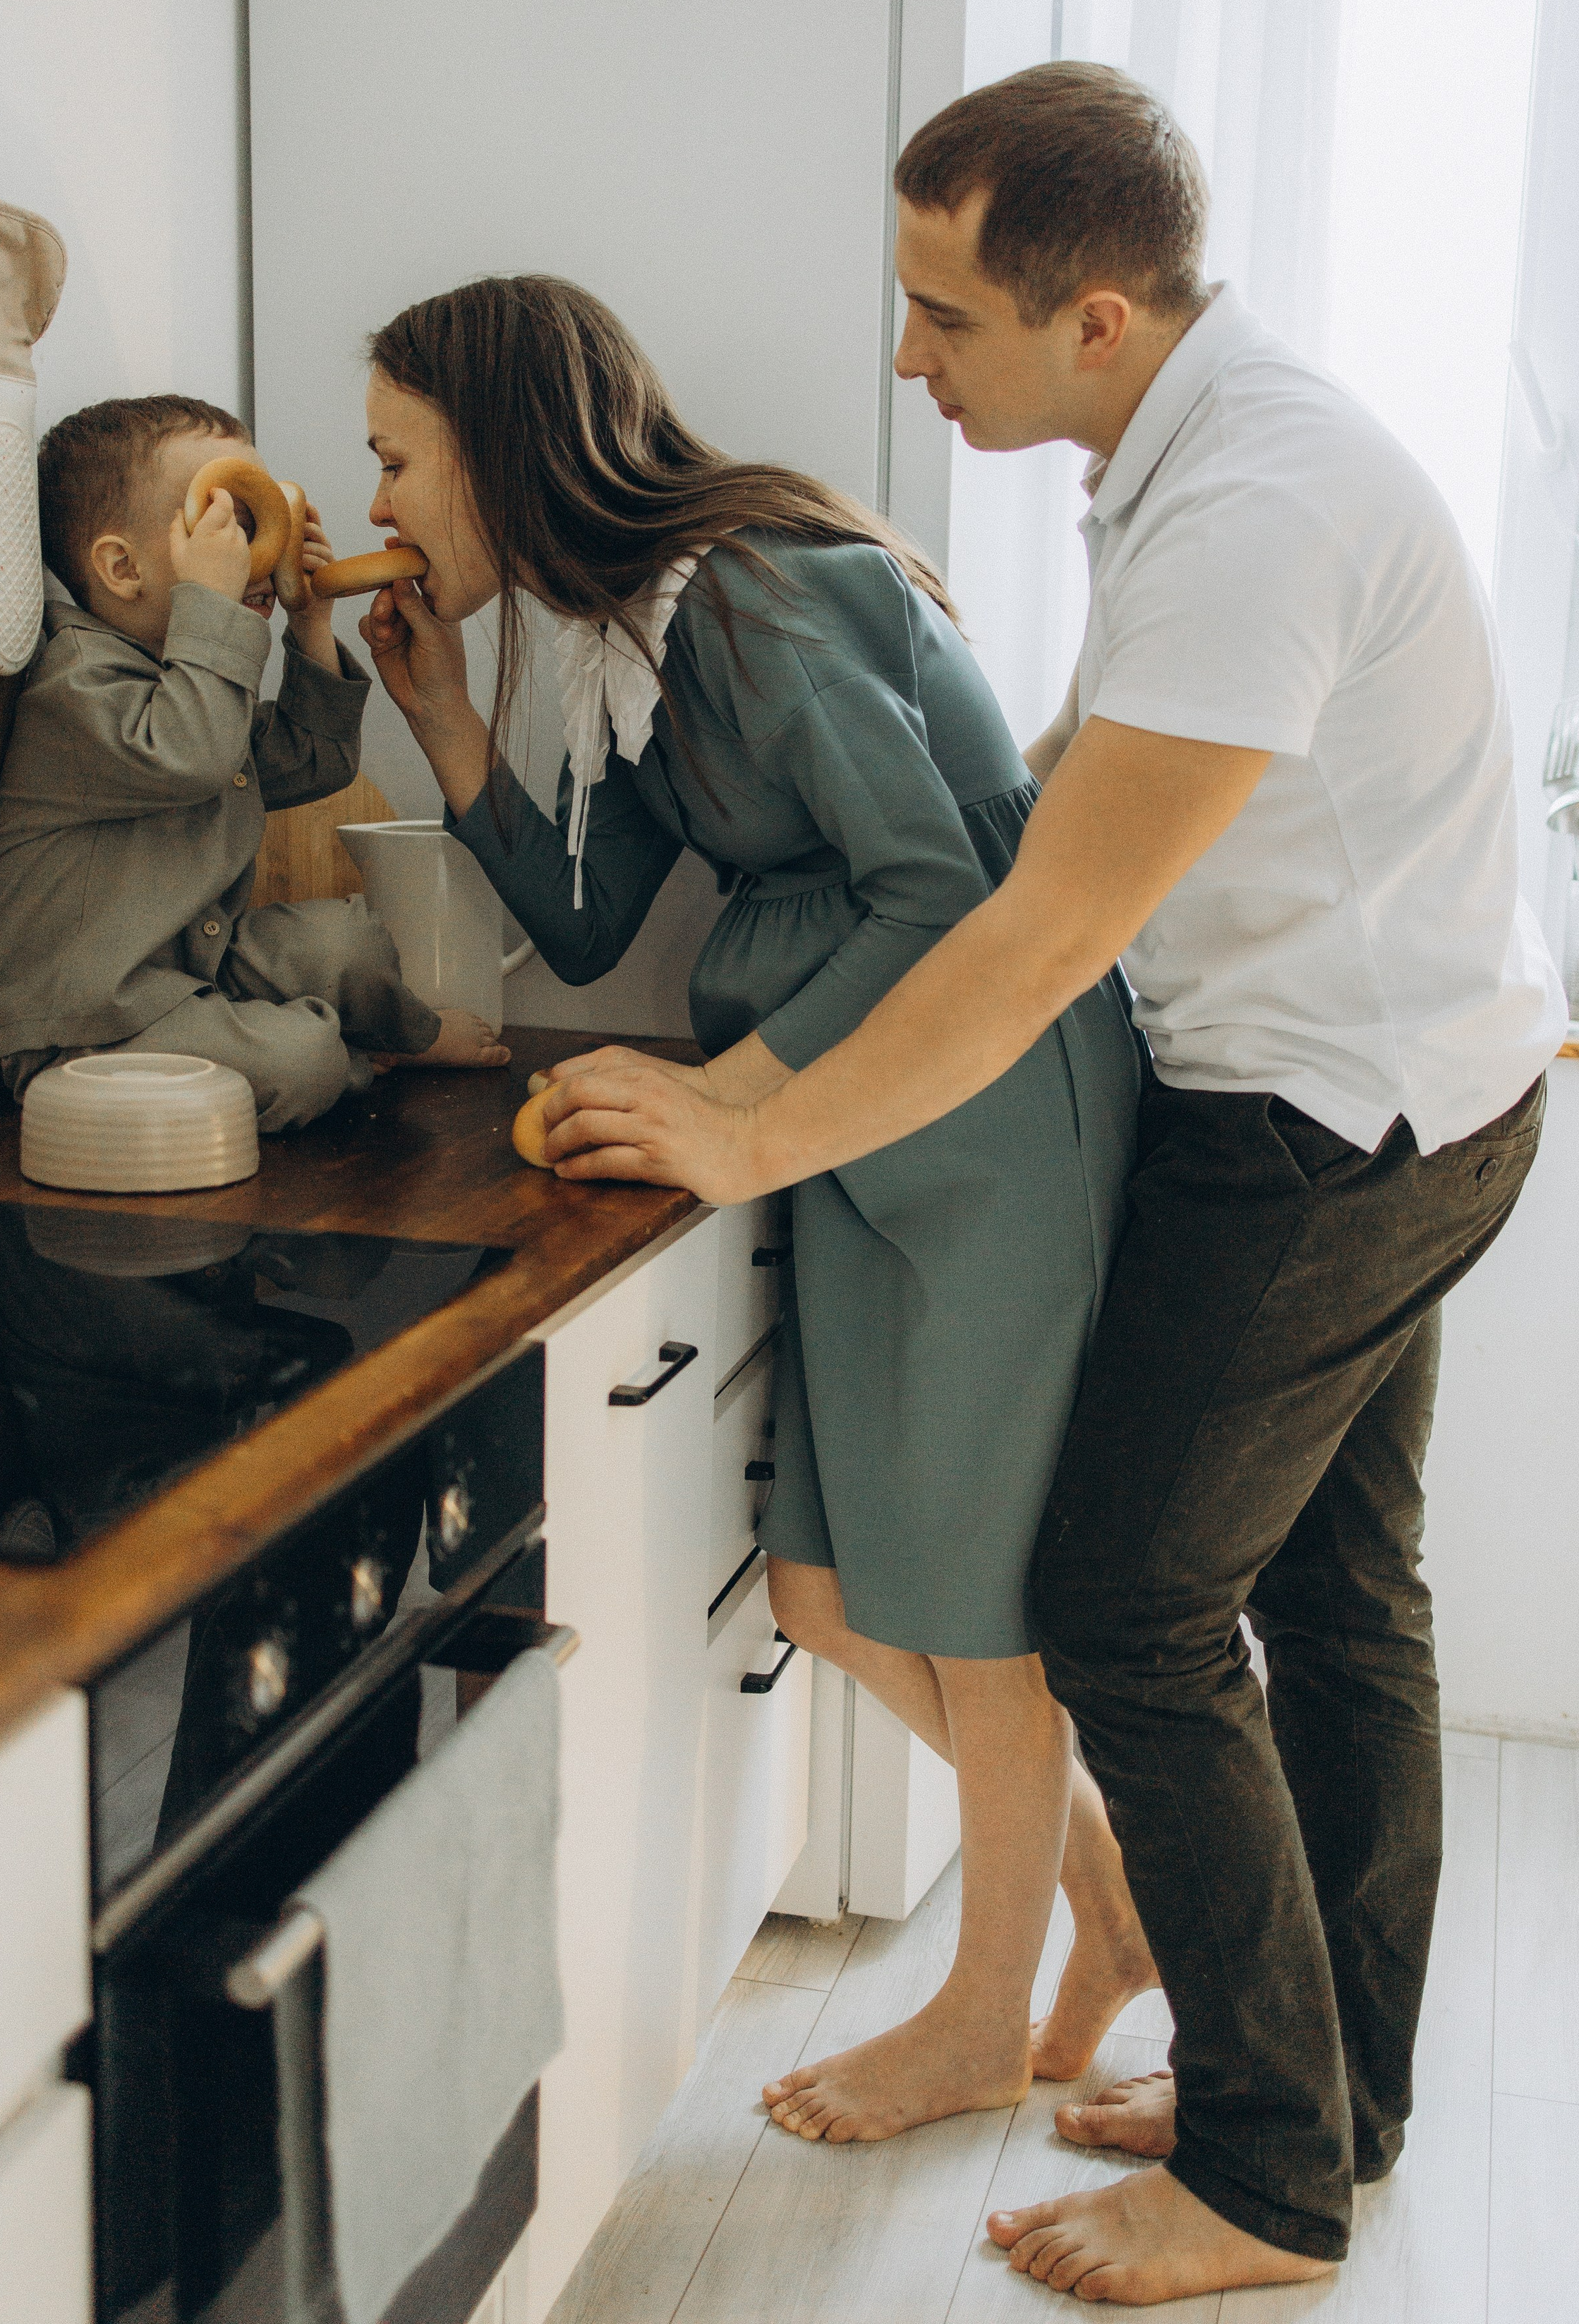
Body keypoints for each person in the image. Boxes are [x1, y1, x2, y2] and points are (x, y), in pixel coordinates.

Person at [529, 63, 1566, 2304]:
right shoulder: (1192, 447)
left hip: (1326, 1123)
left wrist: (743, 1124)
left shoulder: (1251, 509)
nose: (907, 355)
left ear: (1094, 316)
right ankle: (1332, 2093)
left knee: (1129, 1607)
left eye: (945, 313)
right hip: (1409, 1080)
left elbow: (1028, 932)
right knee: (1339, 1606)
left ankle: (1267, 2177)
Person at [353, 272, 1156, 2143]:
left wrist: (723, 1099)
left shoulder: (763, 596)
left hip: (990, 1134)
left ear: (497, 444)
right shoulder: (636, 631)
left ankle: (981, 2010)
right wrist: (450, 718)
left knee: (971, 1607)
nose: (377, 497)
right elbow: (590, 923)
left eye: (399, 457)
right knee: (825, 1586)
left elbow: (939, 897)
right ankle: (1112, 1914)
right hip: (847, 1127)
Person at [0, 394, 504, 1128]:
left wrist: (310, 622)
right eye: (224, 523)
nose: (257, 545)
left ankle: (398, 1034)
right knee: (303, 1060)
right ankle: (351, 1054)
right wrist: (216, 609)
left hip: (198, 966)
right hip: (90, 1027)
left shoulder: (188, 680)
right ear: (121, 569)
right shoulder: (74, 685)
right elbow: (193, 758)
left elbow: (316, 762)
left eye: (258, 522)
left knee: (347, 942)